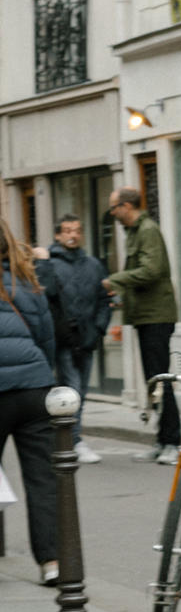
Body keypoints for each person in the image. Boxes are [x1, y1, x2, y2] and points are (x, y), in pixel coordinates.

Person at [0, 217, 60, 585]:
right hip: (35, 389)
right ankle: (51, 562)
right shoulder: (27, 282)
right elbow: (45, 338)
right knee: (44, 479)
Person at [104, 186, 180, 464]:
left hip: (156, 316)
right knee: (153, 381)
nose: (113, 214)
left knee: (161, 379)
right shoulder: (135, 231)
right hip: (145, 315)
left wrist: (116, 280)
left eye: (114, 208)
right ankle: (163, 440)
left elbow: (152, 270)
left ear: (126, 206)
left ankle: (172, 442)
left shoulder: (147, 230)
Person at [36, 214, 110, 464]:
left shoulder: (92, 264)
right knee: (72, 389)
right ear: (58, 235)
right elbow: (45, 297)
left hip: (87, 338)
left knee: (81, 392)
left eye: (77, 230)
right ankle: (75, 441)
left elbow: (103, 299)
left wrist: (100, 328)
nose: (73, 235)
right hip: (63, 339)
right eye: (67, 230)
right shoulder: (49, 262)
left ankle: (67, 437)